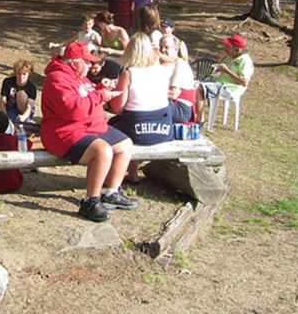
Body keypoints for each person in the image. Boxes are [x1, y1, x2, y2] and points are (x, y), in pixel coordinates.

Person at [41, 41, 138, 222]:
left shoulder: (78, 76)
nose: (91, 65)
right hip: (64, 133)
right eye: (87, 61)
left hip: (90, 127)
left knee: (125, 145)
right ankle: (90, 201)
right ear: (75, 62)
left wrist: (102, 88)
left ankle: (111, 192)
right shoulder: (57, 79)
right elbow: (73, 110)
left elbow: (88, 95)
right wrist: (101, 95)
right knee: (103, 151)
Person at [109, 33, 173, 182]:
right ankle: (132, 174)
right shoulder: (163, 70)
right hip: (164, 130)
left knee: (113, 127)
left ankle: (113, 176)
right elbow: (171, 61)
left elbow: (117, 107)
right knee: (127, 124)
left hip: (136, 130)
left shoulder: (129, 74)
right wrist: (158, 53)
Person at [196, 33, 254, 115]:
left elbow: (244, 82)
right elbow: (218, 71)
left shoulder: (244, 61)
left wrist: (227, 71)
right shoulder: (229, 57)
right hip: (218, 83)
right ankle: (192, 115)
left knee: (199, 88)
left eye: (228, 46)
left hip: (230, 89)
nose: (225, 48)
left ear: (236, 49)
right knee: (191, 85)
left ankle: (200, 118)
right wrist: (220, 60)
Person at [160, 34, 197, 123]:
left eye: (166, 47)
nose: (162, 50)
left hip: (181, 109)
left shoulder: (180, 65)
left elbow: (173, 93)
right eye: (160, 47)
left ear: (175, 49)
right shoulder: (162, 64)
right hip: (169, 103)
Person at [0, 59, 37, 125]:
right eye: (19, 74)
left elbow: (29, 107)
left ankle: (25, 121)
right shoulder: (7, 82)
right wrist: (5, 116)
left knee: (21, 94)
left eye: (24, 74)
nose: (21, 77)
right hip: (10, 109)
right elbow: (2, 102)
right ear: (15, 73)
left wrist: (23, 117)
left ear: (29, 74)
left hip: (24, 111)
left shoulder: (32, 88)